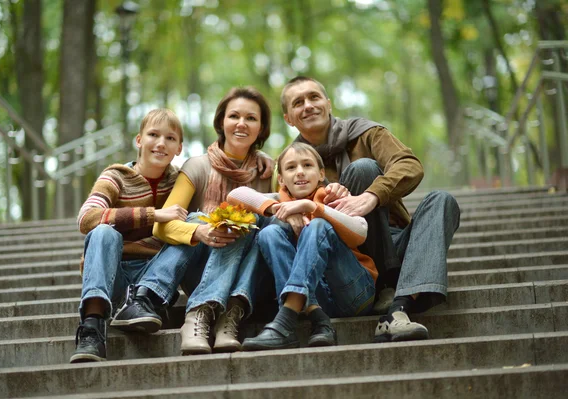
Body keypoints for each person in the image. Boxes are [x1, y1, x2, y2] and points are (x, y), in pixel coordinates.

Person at [279, 76, 460, 342]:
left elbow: (409, 165)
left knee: (442, 199)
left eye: (314, 97)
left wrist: (373, 195)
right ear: (288, 118)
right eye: (298, 102)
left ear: (328, 104)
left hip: (394, 240)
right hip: (351, 261)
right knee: (362, 169)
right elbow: (276, 198)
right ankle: (385, 286)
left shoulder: (365, 132)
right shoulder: (291, 162)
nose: (308, 105)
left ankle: (398, 307)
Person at [153, 87, 275, 355]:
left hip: (251, 281)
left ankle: (230, 317)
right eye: (234, 116)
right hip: (203, 270)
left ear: (262, 128)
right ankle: (198, 314)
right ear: (222, 122)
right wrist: (202, 232)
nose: (241, 124)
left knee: (261, 222)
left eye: (251, 118)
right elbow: (161, 225)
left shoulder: (270, 172)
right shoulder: (197, 166)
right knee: (216, 219)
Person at [227, 142, 377, 350]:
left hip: (354, 293)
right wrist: (283, 209)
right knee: (269, 232)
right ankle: (317, 316)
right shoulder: (277, 199)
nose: (299, 172)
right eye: (291, 168)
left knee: (318, 226)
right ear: (281, 179)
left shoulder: (334, 197)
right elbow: (235, 195)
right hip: (317, 299)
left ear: (321, 173)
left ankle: (286, 319)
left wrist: (312, 207)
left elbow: (360, 233)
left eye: (307, 165)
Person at [70, 108, 189, 363]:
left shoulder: (181, 181)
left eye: (170, 138)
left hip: (155, 280)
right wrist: (154, 215)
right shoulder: (116, 176)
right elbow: (86, 218)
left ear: (179, 148)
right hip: (118, 278)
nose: (160, 143)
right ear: (139, 140)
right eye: (153, 135)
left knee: (194, 224)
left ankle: (146, 299)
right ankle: (92, 328)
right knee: (103, 232)